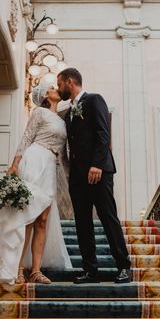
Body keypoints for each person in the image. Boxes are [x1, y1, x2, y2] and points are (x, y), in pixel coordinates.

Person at [0, 83, 72, 284]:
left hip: (51, 166)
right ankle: (17, 268)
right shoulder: (40, 112)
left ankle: (36, 270)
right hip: (34, 159)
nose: (56, 88)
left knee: (42, 219)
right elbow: (26, 137)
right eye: (52, 87)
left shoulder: (61, 119)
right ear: (45, 95)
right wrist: (14, 165)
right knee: (28, 214)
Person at [57, 68, 131, 284]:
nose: (59, 88)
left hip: (99, 171)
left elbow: (103, 132)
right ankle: (90, 270)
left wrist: (97, 164)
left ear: (70, 82)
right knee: (82, 223)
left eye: (60, 84)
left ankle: (123, 266)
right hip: (78, 177)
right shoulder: (69, 112)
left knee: (108, 217)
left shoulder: (94, 100)